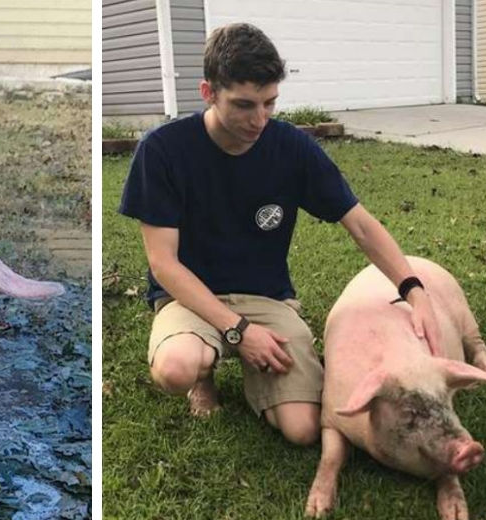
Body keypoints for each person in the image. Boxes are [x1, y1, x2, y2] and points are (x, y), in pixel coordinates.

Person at [118, 23, 442, 446]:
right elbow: (164, 264)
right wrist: (238, 330)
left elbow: (360, 223)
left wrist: (414, 290)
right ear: (208, 92)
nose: (259, 119)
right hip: (190, 297)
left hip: (266, 297)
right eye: (244, 105)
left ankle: (260, 374)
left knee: (302, 430)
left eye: (270, 103)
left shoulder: (291, 148)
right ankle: (205, 375)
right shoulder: (162, 150)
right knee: (176, 368)